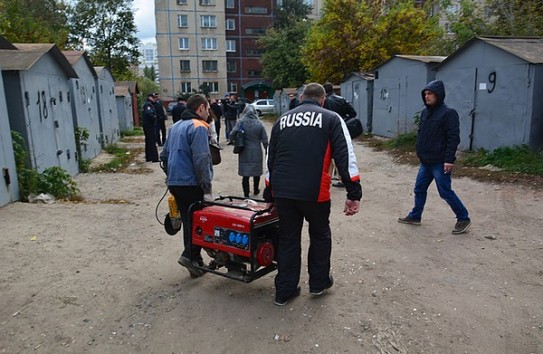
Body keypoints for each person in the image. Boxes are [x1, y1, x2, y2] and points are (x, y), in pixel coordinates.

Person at [263, 83, 362, 306]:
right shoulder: (331, 118)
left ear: (300, 98)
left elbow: (270, 159)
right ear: (323, 99)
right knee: (319, 235)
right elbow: (346, 157)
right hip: (314, 192)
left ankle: (284, 291)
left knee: (288, 239)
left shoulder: (282, 121)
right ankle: (318, 283)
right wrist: (353, 192)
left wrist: (270, 193)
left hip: (284, 193)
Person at [398, 80, 471, 235]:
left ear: (439, 95)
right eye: (425, 94)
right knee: (419, 189)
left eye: (430, 93)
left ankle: (463, 218)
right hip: (426, 161)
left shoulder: (448, 113)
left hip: (439, 162)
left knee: (445, 191)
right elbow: (421, 133)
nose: (427, 96)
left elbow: (453, 138)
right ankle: (415, 216)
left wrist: (449, 159)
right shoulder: (425, 113)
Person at [160, 94, 213, 278]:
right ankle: (189, 255)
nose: (208, 113)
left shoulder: (175, 126)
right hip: (191, 183)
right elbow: (201, 159)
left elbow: (164, 156)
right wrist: (206, 188)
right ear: (200, 108)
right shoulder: (198, 127)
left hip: (176, 183)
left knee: (188, 220)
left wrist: (172, 176)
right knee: (198, 223)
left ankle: (195, 260)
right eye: (207, 109)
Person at [322, 82, 358, 188]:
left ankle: (327, 178)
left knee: (327, 153)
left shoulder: (323, 102)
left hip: (327, 130)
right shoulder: (341, 100)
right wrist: (343, 120)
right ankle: (343, 178)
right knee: (341, 154)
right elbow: (353, 113)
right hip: (341, 130)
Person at [229, 105, 268, 198]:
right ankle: (256, 190)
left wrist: (235, 141)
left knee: (245, 174)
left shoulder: (241, 122)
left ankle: (246, 194)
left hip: (244, 150)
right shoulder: (259, 123)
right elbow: (265, 140)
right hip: (256, 150)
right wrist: (267, 150)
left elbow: (232, 133)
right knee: (256, 172)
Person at [142, 93, 159, 162]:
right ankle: (154, 158)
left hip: (147, 125)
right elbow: (149, 114)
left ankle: (148, 157)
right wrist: (154, 118)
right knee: (152, 141)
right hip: (150, 125)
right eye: (153, 97)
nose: (155, 99)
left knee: (148, 141)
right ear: (150, 97)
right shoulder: (148, 105)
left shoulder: (148, 104)